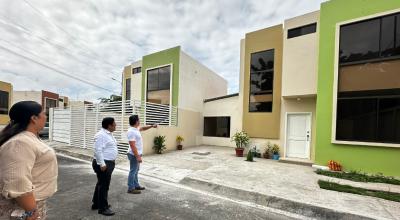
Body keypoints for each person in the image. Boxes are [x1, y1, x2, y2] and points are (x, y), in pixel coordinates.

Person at [0, 101, 58, 220]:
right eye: (44, 114)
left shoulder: (28, 138)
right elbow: (17, 180)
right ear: (34, 118)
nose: (46, 116)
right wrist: (31, 211)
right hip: (22, 207)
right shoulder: (20, 142)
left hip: (30, 204)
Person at [92, 117, 117, 216]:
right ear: (109, 125)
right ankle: (103, 208)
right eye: (114, 124)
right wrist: (102, 164)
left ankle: (97, 203)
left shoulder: (108, 134)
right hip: (104, 164)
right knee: (104, 186)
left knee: (101, 183)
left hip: (108, 163)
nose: (116, 125)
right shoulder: (101, 135)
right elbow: (97, 150)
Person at [126, 115, 157, 194]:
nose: (139, 121)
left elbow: (143, 128)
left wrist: (151, 126)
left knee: (136, 170)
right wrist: (137, 156)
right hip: (133, 154)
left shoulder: (136, 129)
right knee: (133, 171)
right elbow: (132, 145)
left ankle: (136, 185)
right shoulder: (131, 131)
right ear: (136, 121)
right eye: (139, 120)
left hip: (137, 154)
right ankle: (131, 188)